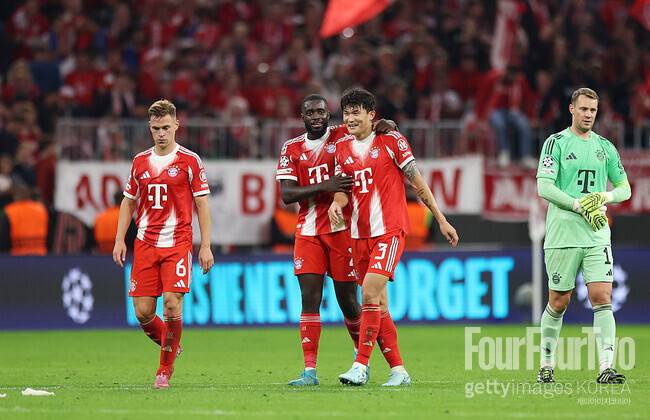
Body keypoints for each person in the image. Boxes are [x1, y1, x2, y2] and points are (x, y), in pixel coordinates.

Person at [328, 88, 459, 386]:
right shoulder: (342, 148)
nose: (350, 118)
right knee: (379, 305)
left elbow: (417, 181)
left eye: (356, 112)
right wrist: (336, 203)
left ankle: (360, 366)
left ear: (371, 115)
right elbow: (343, 189)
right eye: (346, 113)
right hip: (359, 235)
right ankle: (399, 371)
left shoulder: (391, 140)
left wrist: (441, 219)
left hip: (389, 230)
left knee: (368, 295)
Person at [276, 94, 396, 386]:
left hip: (342, 229)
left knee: (348, 301)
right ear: (302, 116)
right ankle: (309, 371)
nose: (316, 116)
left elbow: (371, 127)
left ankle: (360, 361)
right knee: (309, 298)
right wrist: (326, 186)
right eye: (310, 112)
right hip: (308, 231)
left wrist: (387, 124)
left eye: (321, 111)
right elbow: (287, 194)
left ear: (328, 114)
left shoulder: (342, 134)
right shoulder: (291, 148)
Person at [113, 99, 214, 389]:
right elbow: (128, 202)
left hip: (177, 242)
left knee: (171, 304)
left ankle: (164, 370)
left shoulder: (190, 160)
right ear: (150, 127)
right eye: (156, 128)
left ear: (176, 125)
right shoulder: (140, 161)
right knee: (143, 311)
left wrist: (206, 245)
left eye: (166, 128)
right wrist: (120, 239)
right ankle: (172, 343)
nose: (161, 134)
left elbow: (202, 204)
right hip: (145, 243)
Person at [536, 87, 631, 384]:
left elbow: (625, 188)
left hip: (596, 233)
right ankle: (546, 365)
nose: (588, 114)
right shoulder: (556, 143)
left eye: (593, 110)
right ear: (572, 109)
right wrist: (578, 204)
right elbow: (544, 187)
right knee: (559, 301)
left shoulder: (606, 148)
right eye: (584, 109)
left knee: (602, 297)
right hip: (563, 233)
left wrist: (604, 196)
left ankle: (606, 367)